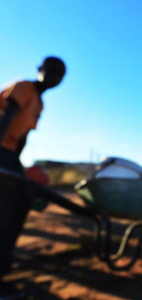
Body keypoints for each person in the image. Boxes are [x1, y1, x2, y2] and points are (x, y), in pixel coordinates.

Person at [0, 57, 66, 291]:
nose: (54, 77)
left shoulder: (39, 104)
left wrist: (18, 165)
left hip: (8, 153)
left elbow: (23, 136)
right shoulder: (23, 87)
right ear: (39, 70)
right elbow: (7, 116)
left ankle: (3, 259)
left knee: (24, 199)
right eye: (51, 71)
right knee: (8, 201)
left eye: (59, 75)